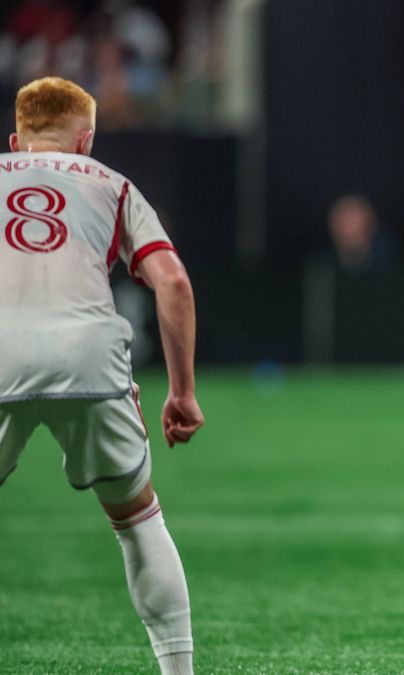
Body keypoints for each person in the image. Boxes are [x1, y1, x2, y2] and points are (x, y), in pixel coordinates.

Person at [0, 77, 202, 675]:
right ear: (85, 141)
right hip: (89, 357)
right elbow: (173, 283)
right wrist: (182, 392)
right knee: (138, 520)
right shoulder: (113, 185)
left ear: (16, 139)